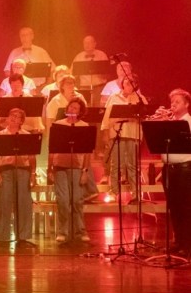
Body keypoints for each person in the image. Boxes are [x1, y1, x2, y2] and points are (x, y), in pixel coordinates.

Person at [48, 98, 92, 242]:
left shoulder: (84, 126)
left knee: (77, 200)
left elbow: (87, 152)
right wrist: (49, 169)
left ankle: (80, 231)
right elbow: (51, 148)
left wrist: (85, 171)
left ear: (80, 112)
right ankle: (63, 231)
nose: (72, 109)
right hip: (59, 166)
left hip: (77, 167)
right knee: (63, 200)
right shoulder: (58, 125)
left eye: (75, 108)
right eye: (71, 107)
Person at [0, 108, 36, 245]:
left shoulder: (26, 135)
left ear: (21, 121)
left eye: (17, 116)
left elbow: (32, 157)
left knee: (23, 203)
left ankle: (23, 235)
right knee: (4, 202)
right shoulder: (0, 135)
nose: (13, 118)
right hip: (5, 170)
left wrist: (33, 173)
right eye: (12, 115)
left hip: (23, 170)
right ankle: (1, 235)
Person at [101, 74, 145, 203]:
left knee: (132, 165)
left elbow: (145, 117)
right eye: (127, 82)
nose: (129, 85)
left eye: (132, 83)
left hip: (133, 134)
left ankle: (136, 193)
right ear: (122, 84)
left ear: (136, 85)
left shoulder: (139, 98)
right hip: (117, 134)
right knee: (115, 164)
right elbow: (106, 117)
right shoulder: (114, 97)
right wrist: (105, 133)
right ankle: (113, 192)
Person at [162, 89, 191, 255]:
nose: (173, 105)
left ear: (186, 104)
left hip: (185, 169)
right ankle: (178, 241)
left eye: (177, 102)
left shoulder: (189, 122)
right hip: (169, 169)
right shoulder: (169, 122)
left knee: (185, 207)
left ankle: (187, 244)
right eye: (172, 102)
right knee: (173, 207)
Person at [71, 35, 109, 102]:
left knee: (98, 106)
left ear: (95, 44)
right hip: (84, 88)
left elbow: (107, 73)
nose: (87, 45)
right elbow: (72, 74)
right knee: (85, 106)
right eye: (85, 43)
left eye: (89, 42)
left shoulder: (101, 55)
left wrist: (99, 71)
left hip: (99, 87)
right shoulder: (78, 57)